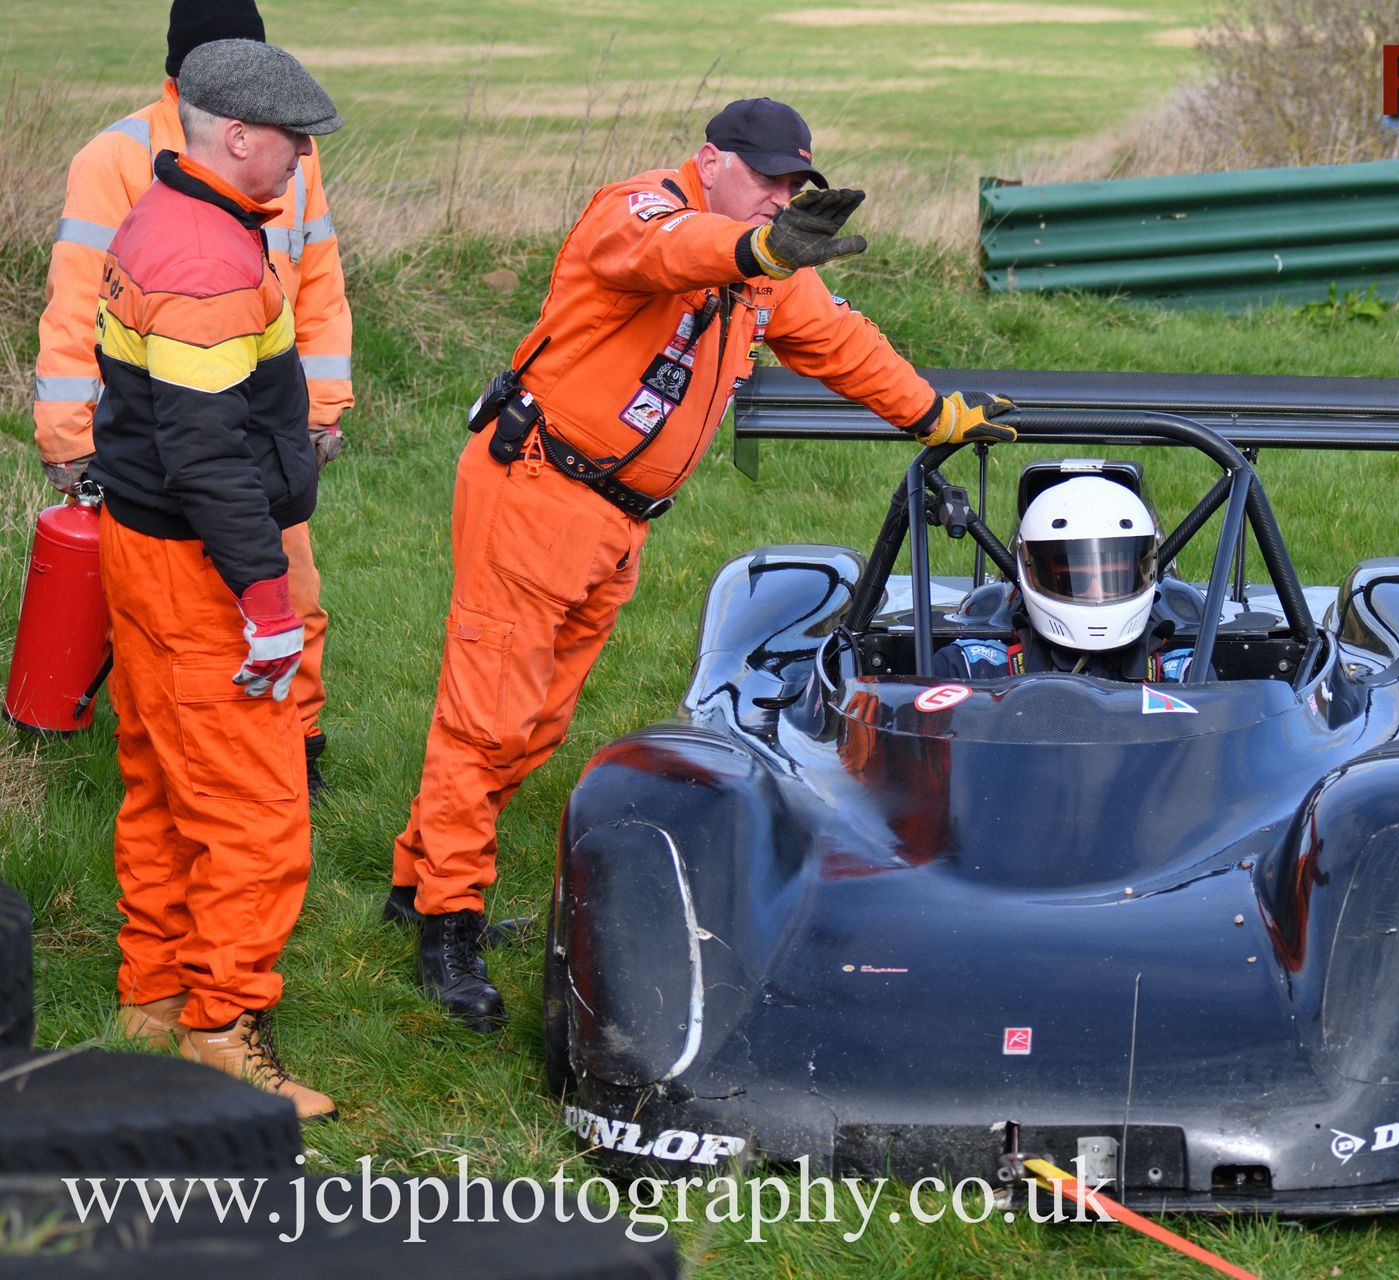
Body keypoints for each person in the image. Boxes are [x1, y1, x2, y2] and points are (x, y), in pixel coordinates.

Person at [388, 97, 1016, 1031]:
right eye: (763, 179)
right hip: (537, 491)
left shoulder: (766, 263)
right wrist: (752, 251)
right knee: (489, 719)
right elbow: (667, 253)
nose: (777, 198)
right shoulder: (639, 212)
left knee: (533, 722)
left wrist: (933, 414)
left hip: (614, 518)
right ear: (709, 161)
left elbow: (838, 341)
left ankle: (419, 880)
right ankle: (447, 922)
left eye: (792, 186)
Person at [91, 38, 343, 1121]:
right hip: (201, 567)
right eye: (293, 140)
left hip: (140, 553)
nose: (301, 159)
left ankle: (149, 997)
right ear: (237, 135)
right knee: (253, 807)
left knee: (158, 777)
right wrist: (269, 603)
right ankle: (221, 1031)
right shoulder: (205, 255)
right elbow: (208, 455)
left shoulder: (167, 216)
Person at [34, 0, 352, 796]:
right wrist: (71, 440)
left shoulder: (286, 151)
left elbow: (318, 283)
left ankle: (295, 739)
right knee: (186, 614)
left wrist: (320, 408)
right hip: (168, 432)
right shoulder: (118, 156)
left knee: (291, 591)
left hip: (262, 422)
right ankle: (208, 762)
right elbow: (76, 306)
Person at [933, 476, 1202, 681]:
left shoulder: (1184, 676)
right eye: (1075, 579)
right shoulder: (969, 669)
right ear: (1030, 570)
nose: (1097, 591)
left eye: (1113, 577)